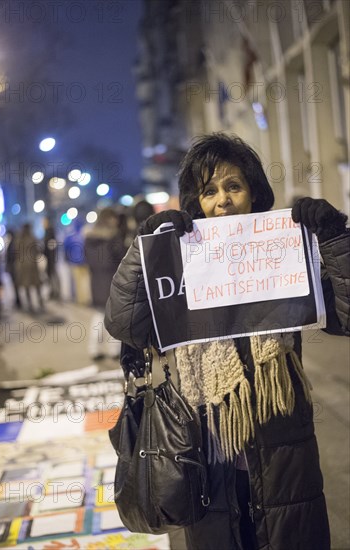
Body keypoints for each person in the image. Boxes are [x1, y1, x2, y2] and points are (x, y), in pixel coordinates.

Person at [105, 133, 349, 550]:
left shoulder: (283, 254)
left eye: (233, 186)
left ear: (253, 193)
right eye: (209, 191)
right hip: (205, 455)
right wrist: (143, 251)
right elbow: (124, 323)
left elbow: (344, 316)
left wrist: (334, 238)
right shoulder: (178, 259)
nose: (223, 200)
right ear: (195, 201)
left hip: (283, 455)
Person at [84, 208, 126, 361]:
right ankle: (114, 349)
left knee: (98, 316)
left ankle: (94, 349)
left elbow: (87, 259)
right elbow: (121, 258)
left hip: (96, 281)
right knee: (113, 316)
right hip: (112, 280)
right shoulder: (113, 237)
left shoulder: (89, 238)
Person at [14, 223, 44, 313]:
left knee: (27, 286)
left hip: (23, 266)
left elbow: (16, 253)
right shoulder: (32, 238)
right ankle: (40, 302)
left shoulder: (19, 239)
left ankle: (30, 304)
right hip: (32, 265)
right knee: (36, 285)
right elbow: (39, 250)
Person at [43, 217, 61, 301]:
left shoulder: (50, 232)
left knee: (53, 275)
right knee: (51, 275)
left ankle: (56, 292)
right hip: (49, 258)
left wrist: (51, 257)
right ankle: (53, 291)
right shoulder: (47, 232)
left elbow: (51, 246)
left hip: (51, 259)